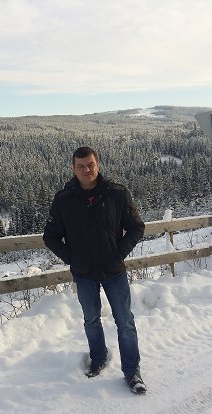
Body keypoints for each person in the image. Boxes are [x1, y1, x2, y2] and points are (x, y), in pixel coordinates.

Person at [43, 146, 147, 394]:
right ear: (73, 168)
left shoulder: (117, 193)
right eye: (81, 166)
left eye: (90, 165)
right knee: (91, 320)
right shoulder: (64, 200)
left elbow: (136, 227)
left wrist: (119, 252)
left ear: (97, 164)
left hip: (114, 271)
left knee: (125, 322)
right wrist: (72, 258)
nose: (86, 170)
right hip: (84, 273)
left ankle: (132, 371)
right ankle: (98, 358)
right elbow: (50, 236)